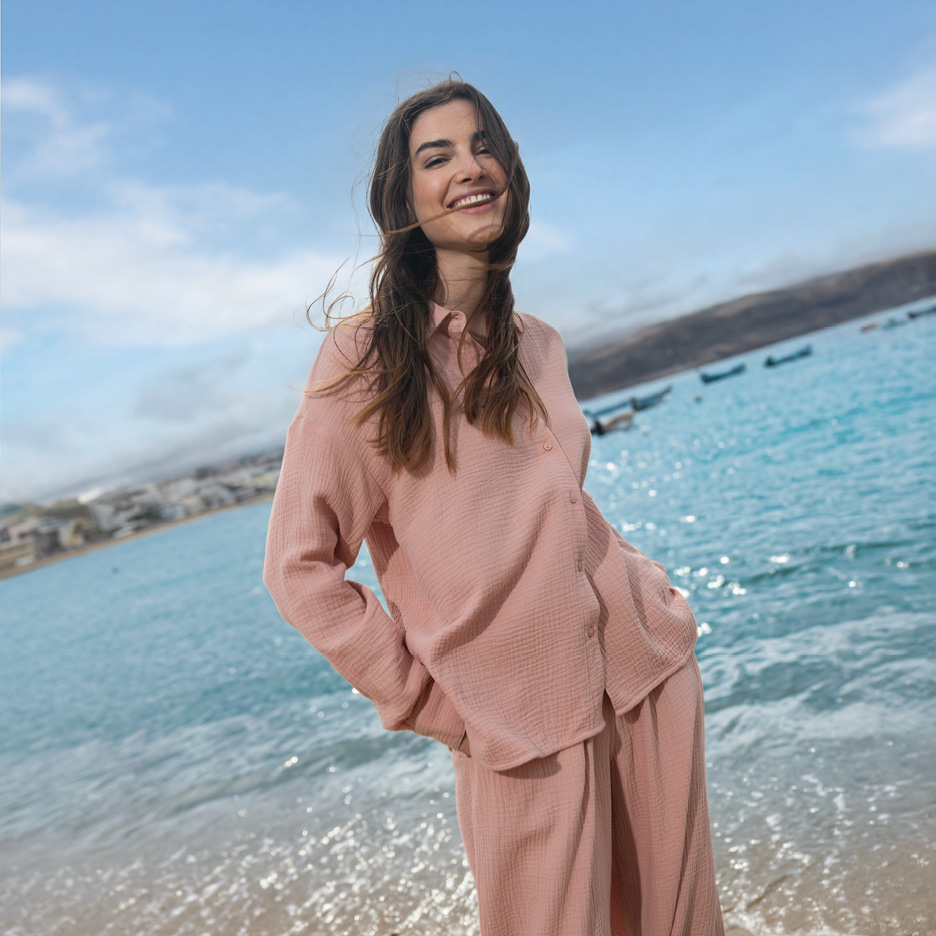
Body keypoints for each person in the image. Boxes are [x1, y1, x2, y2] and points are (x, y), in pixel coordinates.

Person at [264, 79, 724, 936]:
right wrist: (428, 701)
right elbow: (299, 572)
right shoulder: (364, 361)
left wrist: (650, 588)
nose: (470, 168)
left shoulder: (539, 344)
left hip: (646, 671)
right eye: (436, 157)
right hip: (517, 727)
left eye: (485, 147)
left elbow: (554, 507)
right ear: (402, 200)